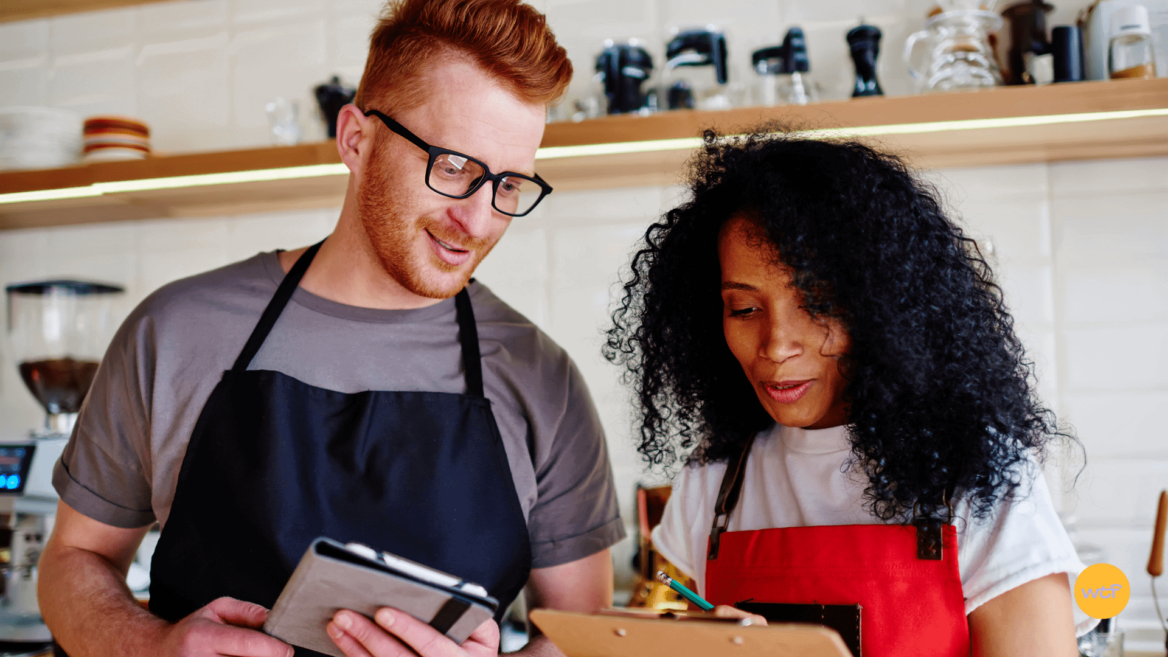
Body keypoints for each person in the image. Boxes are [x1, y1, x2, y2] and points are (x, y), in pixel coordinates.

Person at [38, 1, 625, 656]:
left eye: (508, 184)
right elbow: (72, 561)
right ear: (355, 138)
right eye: (453, 167)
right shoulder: (174, 331)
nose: (479, 220)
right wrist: (150, 647)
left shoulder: (543, 378)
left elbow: (585, 635)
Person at [604, 129, 1090, 657]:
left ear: (883, 307)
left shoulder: (979, 475)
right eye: (744, 309)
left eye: (817, 304)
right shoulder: (716, 478)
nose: (776, 345)